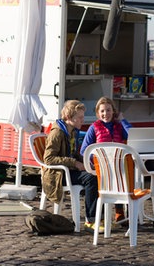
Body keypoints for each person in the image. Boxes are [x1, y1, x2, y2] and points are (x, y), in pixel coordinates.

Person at [42, 99, 101, 232]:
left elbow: (73, 153)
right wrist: (74, 163)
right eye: (79, 117)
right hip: (58, 175)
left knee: (96, 173)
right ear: (69, 117)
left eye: (82, 117)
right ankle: (90, 220)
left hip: (68, 171)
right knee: (91, 179)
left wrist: (87, 162)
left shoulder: (73, 131)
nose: (82, 120)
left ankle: (99, 217)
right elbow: (48, 159)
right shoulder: (57, 133)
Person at [80, 97, 132, 225]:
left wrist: (122, 120)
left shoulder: (119, 126)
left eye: (108, 110)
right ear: (98, 113)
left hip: (118, 164)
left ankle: (121, 211)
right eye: (102, 111)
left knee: (125, 176)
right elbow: (84, 150)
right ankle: (100, 216)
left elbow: (132, 135)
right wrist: (96, 160)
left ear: (113, 111)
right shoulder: (94, 128)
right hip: (101, 167)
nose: (105, 114)